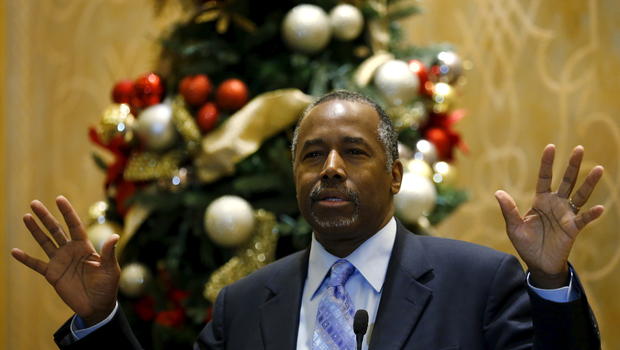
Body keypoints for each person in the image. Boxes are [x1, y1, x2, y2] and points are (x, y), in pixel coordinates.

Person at [11, 90, 603, 350]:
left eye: (355, 151)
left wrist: (549, 285)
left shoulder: (480, 283)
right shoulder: (242, 306)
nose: (331, 170)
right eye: (313, 155)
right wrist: (99, 320)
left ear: (396, 176)